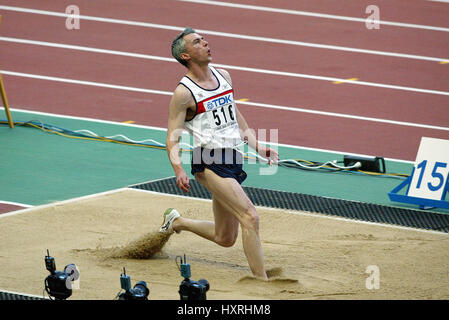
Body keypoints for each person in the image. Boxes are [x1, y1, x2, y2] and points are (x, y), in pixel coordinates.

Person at [160, 27, 279, 280]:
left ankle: (177, 222)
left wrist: (256, 144)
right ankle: (261, 282)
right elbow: (173, 135)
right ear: (186, 56)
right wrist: (178, 169)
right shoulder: (184, 93)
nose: (205, 42)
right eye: (197, 42)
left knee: (225, 238)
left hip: (233, 158)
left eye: (203, 39)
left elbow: (234, 113)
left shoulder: (224, 76)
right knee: (250, 216)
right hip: (209, 161)